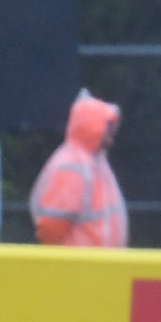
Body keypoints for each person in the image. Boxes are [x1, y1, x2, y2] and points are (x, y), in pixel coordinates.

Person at [29, 90, 128, 248]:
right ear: (93, 125)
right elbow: (51, 227)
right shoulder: (72, 165)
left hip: (98, 267)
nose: (112, 131)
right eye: (108, 124)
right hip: (79, 268)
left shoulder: (95, 161)